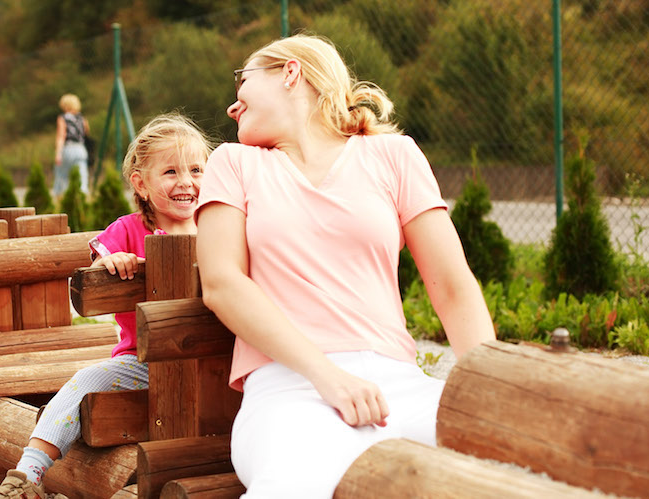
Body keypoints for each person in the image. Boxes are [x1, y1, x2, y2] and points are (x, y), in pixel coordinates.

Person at [195, 34, 497, 498]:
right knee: (292, 486)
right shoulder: (233, 164)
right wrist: (329, 378)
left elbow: (453, 288)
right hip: (290, 389)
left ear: (290, 72)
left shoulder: (394, 156)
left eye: (243, 81)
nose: (232, 108)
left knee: (511, 463)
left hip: (398, 385)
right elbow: (222, 283)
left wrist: (490, 391)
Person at [0, 113, 213, 499]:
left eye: (196, 169)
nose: (186, 182)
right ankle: (25, 478)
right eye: (171, 172)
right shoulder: (128, 230)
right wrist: (113, 264)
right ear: (141, 184)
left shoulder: (217, 225)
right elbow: (94, 276)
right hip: (144, 363)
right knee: (86, 381)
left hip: (213, 362)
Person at [53, 93, 91, 197]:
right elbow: (86, 133)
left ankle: (62, 199)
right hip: (81, 149)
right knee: (82, 177)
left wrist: (58, 153)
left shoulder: (62, 118)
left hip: (68, 148)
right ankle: (83, 198)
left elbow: (61, 136)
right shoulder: (82, 119)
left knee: (62, 176)